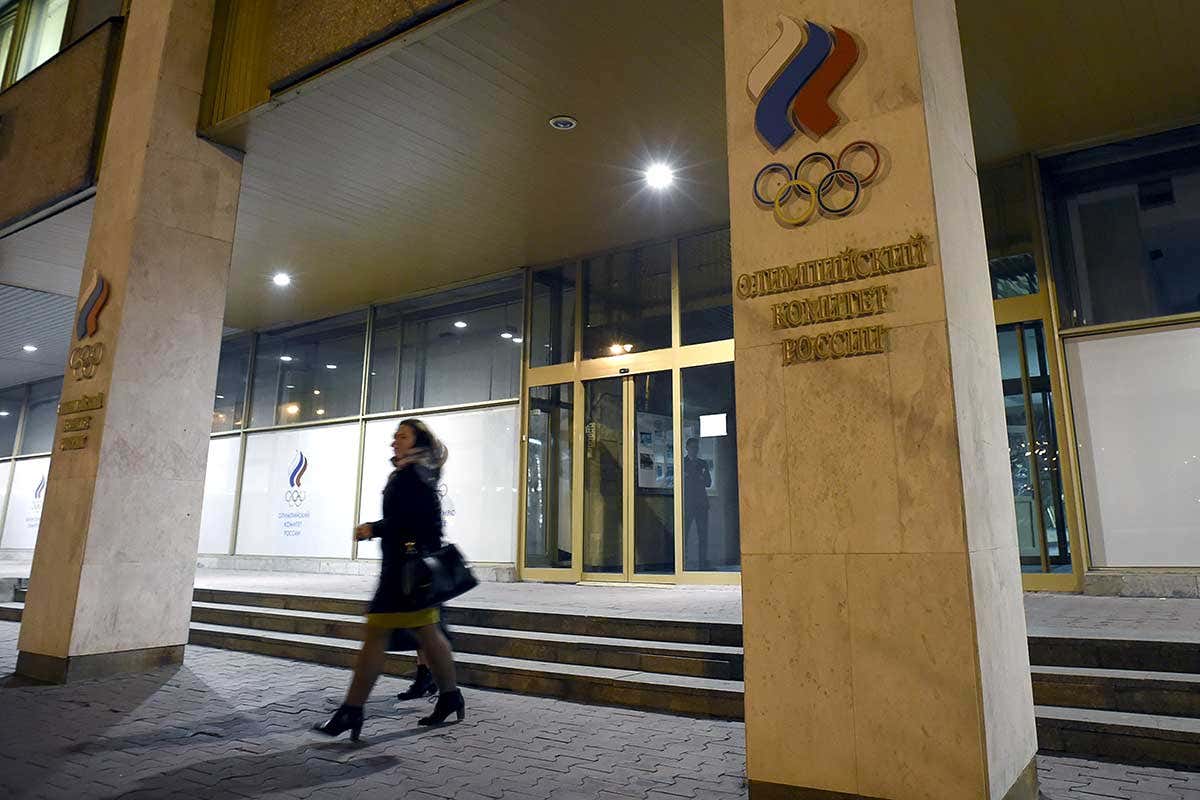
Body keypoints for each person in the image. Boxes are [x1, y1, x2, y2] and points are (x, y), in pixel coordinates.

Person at [314, 419, 463, 740]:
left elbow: (412, 521)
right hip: (403, 571)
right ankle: (450, 696)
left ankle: (352, 710)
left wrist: (373, 528)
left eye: (403, 436)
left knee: (378, 635)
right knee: (427, 636)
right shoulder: (412, 472)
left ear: (417, 441)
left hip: (405, 574)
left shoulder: (414, 475)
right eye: (395, 435)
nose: (395, 441)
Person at [682, 437, 711, 570]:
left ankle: (702, 564)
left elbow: (708, 483)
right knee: (684, 534)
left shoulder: (703, 463)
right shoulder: (682, 463)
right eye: (692, 447)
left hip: (701, 504)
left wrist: (701, 476)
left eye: (697, 448)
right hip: (687, 504)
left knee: (703, 535)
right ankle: (682, 564)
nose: (695, 450)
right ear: (687, 448)